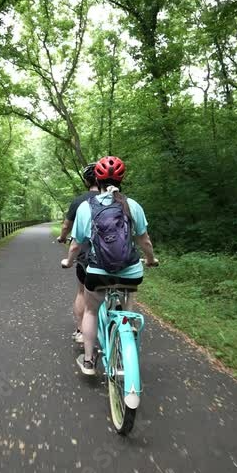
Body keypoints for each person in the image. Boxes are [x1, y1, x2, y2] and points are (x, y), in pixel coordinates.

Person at [60, 156, 158, 375]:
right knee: (129, 289)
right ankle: (128, 324)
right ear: (122, 180)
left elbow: (76, 245)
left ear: (97, 180)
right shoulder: (133, 205)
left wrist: (68, 261)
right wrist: (151, 259)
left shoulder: (86, 207)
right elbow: (145, 242)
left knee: (91, 311)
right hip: (131, 272)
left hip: (98, 273)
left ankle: (88, 362)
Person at [57, 162, 99, 344]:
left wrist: (62, 238)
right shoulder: (118, 200)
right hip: (117, 256)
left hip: (87, 256)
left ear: (86, 181)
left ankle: (81, 331)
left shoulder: (79, 201)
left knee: (82, 292)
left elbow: (66, 226)